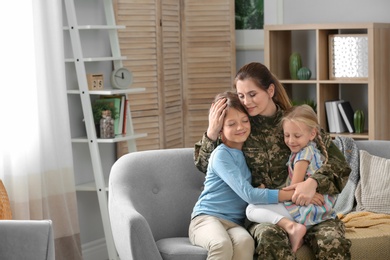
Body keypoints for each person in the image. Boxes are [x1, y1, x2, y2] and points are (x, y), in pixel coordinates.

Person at [194, 62, 352, 259]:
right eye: (241, 96)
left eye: (252, 94)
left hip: (311, 207)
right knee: (268, 239)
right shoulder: (241, 126)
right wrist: (211, 131)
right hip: (268, 213)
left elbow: (340, 165)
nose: (247, 102)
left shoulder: (295, 121)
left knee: (331, 242)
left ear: (270, 90)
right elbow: (205, 166)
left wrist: (313, 183)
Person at [189, 91, 297, 260]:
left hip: (234, 223)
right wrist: (291, 195)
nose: (240, 127)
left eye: (245, 121)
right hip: (207, 218)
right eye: (231, 124)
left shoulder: (249, 153)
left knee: (246, 242)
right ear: (220, 129)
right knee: (221, 245)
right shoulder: (221, 155)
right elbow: (249, 194)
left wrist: (258, 189)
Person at [246, 104, 338, 253]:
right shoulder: (310, 149)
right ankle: (295, 227)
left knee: (251, 209)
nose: (290, 141)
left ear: (312, 134)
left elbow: (294, 189)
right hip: (314, 209)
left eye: (297, 136)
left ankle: (293, 228)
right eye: (287, 135)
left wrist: (266, 192)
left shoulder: (303, 155)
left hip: (306, 209)